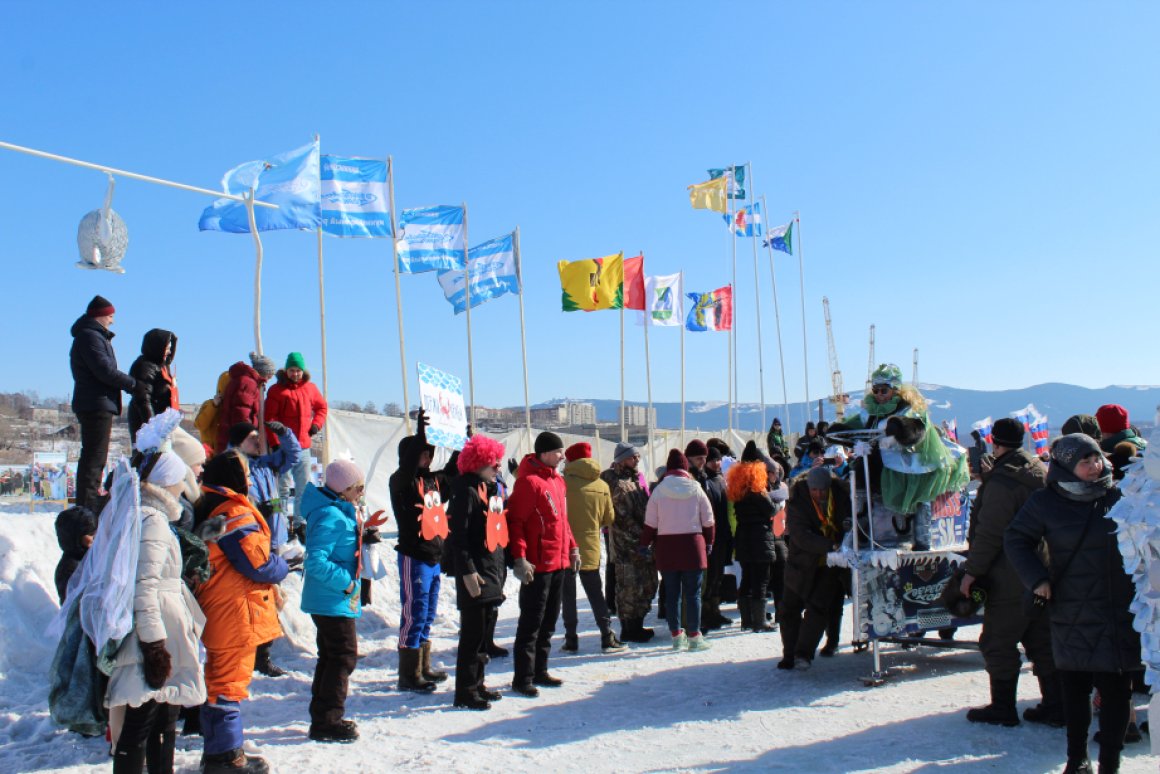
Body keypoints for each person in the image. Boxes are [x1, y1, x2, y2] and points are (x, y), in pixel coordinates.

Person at [1005, 434, 1139, 774]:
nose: (1095, 466)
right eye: (1085, 461)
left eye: (1097, 458)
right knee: (1075, 688)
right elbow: (1016, 539)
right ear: (1066, 466)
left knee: (1116, 691)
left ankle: (1111, 762)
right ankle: (1077, 758)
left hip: (1118, 607)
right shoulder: (1045, 502)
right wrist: (1037, 579)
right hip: (1071, 606)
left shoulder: (1121, 495)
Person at [106, 451, 206, 774]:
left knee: (162, 719)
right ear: (167, 482)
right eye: (179, 478)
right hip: (155, 630)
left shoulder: (151, 516)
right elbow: (144, 586)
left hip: (160, 626)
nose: (184, 485)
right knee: (142, 722)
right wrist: (154, 647)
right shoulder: (154, 522)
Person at [957, 418, 1059, 727]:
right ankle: (1057, 705)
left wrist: (972, 571)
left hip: (1009, 573)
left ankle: (1003, 707)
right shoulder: (1039, 471)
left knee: (998, 641)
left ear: (996, 443)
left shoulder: (1002, 482)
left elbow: (990, 533)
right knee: (1041, 639)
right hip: (1042, 568)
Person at [194, 450, 287, 774]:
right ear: (234, 479)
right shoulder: (234, 513)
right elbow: (258, 564)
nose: (249, 481)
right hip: (236, 612)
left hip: (221, 609)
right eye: (246, 475)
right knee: (227, 685)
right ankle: (226, 757)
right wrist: (282, 565)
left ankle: (219, 750)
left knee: (218, 681)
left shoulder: (210, 507)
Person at [830, 363, 967, 551]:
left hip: (903, 461)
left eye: (883, 391)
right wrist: (838, 431)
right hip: (874, 458)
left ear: (894, 391)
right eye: (875, 390)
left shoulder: (907, 409)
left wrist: (900, 428)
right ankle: (861, 529)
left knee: (908, 490)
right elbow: (853, 425)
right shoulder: (870, 412)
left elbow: (916, 429)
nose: (879, 395)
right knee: (860, 476)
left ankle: (914, 536)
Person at [507, 431, 579, 696]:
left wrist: (572, 547)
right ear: (545, 453)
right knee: (531, 623)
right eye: (559, 452)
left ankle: (540, 670)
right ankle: (522, 677)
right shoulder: (529, 483)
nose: (562, 457)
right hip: (537, 566)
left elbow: (561, 521)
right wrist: (520, 557)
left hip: (558, 562)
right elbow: (516, 523)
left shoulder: (558, 482)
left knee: (549, 621)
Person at [300, 459, 365, 743]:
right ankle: (327, 720)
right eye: (358, 488)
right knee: (342, 656)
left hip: (334, 598)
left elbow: (337, 546)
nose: (361, 493)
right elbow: (315, 560)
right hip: (332, 597)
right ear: (344, 488)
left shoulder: (338, 511)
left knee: (331, 656)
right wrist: (347, 583)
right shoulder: (331, 514)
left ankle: (324, 716)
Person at [447, 435, 509, 710]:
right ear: (477, 462)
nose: (498, 467)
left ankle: (478, 684)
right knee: (472, 634)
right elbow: (458, 537)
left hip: (490, 568)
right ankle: (466, 690)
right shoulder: (465, 491)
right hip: (476, 572)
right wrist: (468, 572)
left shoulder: (487, 489)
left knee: (483, 632)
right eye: (492, 463)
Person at [387, 409, 447, 693]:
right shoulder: (402, 480)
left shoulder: (432, 481)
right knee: (415, 610)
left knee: (428, 611)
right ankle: (408, 673)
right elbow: (409, 463)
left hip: (434, 556)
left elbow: (455, 473)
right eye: (422, 453)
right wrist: (422, 433)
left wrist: (464, 442)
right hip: (414, 555)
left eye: (429, 452)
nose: (427, 457)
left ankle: (423, 665)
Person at [70, 295, 141, 508]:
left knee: (95, 457)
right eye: (110, 316)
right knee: (94, 457)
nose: (112, 320)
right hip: (96, 403)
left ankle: (89, 501)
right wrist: (133, 384)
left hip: (98, 401)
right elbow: (104, 371)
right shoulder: (90, 337)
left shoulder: (93, 336)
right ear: (100, 316)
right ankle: (87, 504)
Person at [641, 449, 715, 652]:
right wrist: (709, 542)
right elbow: (708, 520)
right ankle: (694, 636)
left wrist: (644, 543)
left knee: (672, 594)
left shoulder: (658, 490)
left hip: (667, 548)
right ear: (685, 467)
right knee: (693, 594)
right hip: (693, 545)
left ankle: (676, 635)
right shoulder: (696, 488)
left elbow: (650, 523)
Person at [779, 466, 850, 670]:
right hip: (801, 563)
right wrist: (830, 545)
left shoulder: (842, 497)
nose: (818, 494)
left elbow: (850, 522)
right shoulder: (797, 502)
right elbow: (801, 536)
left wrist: (842, 537)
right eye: (815, 490)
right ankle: (789, 654)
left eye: (822, 490)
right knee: (789, 610)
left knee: (818, 609)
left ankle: (804, 654)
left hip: (830, 564)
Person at [561, 442, 625, 653]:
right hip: (590, 547)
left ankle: (571, 639)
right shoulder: (602, 485)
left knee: (568, 596)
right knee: (596, 594)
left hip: (566, 548)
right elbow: (609, 518)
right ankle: (607, 635)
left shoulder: (561, 483)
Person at [601, 441, 658, 644]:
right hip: (626, 546)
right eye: (633, 457)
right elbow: (622, 518)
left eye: (638, 457)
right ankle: (629, 628)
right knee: (628, 589)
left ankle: (638, 623)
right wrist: (643, 535)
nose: (637, 460)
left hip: (642, 543)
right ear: (622, 459)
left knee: (647, 584)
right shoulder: (615, 482)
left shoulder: (635, 479)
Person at [264, 352, 328, 520]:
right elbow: (269, 419)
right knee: (282, 489)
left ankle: (300, 524)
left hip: (304, 447)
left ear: (303, 371)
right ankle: (281, 525)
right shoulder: (277, 390)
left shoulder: (310, 388)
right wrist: (275, 444)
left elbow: (322, 407)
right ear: (286, 370)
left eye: (298, 370)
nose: (295, 374)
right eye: (292, 370)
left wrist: (316, 425)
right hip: (285, 449)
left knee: (303, 488)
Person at [728, 442, 779, 634]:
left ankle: (746, 620)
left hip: (743, 537)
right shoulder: (758, 490)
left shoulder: (738, 488)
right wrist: (778, 504)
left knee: (747, 578)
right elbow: (771, 510)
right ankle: (760, 622)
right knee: (761, 580)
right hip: (760, 537)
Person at [126, 329, 180, 446]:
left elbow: (168, 359)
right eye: (167, 348)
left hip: (161, 419)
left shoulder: (161, 365)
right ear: (158, 348)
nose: (169, 351)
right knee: (146, 456)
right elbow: (143, 398)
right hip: (147, 419)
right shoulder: (145, 366)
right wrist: (152, 425)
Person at [700, 446, 734, 631]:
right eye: (712, 460)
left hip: (723, 533)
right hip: (710, 534)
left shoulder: (720, 479)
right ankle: (706, 614)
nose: (716, 463)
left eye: (718, 459)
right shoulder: (704, 481)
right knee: (710, 575)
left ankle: (715, 609)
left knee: (718, 575)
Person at [214, 354, 277, 453]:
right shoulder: (248, 384)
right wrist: (248, 436)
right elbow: (241, 412)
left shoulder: (247, 382)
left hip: (235, 437)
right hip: (239, 440)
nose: (269, 380)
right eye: (269, 376)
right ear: (264, 372)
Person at [54, 505, 97, 603]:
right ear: (75, 537)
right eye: (90, 534)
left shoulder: (86, 558)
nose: (94, 537)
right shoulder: (70, 567)